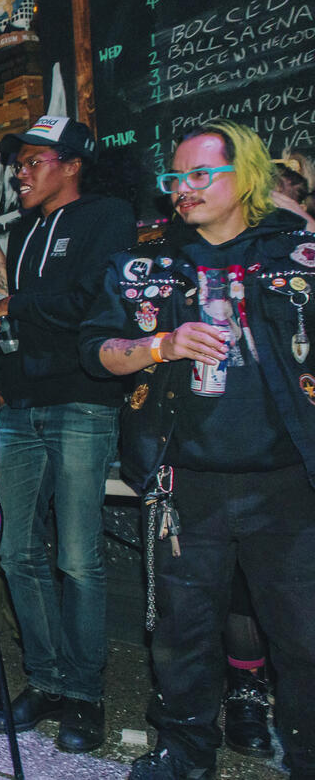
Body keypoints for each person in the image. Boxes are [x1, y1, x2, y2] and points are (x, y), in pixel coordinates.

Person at [80, 119, 315, 780]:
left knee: (304, 639)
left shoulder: (297, 254)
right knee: (182, 640)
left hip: (289, 484)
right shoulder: (145, 268)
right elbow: (97, 352)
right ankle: (183, 757)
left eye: (200, 174)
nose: (183, 189)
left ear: (246, 176)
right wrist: (162, 345)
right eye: (175, 177)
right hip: (186, 485)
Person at [0, 116, 136, 752]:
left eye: (33, 160)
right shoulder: (24, 230)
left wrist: (16, 305)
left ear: (70, 163)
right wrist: (4, 310)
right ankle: (44, 680)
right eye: (17, 162)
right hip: (25, 406)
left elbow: (90, 304)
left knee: (77, 556)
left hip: (82, 404)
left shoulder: (108, 216)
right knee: (16, 550)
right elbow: (39, 313)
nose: (20, 170)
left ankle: (85, 695)